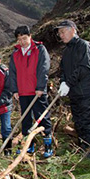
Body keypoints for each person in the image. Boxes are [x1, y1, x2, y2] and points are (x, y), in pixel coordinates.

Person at [56, 20, 90, 157]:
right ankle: (83, 147)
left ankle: (89, 151)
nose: (61, 36)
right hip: (74, 93)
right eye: (59, 33)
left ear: (73, 30)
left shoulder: (84, 46)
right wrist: (63, 82)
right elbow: (63, 70)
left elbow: (83, 68)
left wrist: (68, 83)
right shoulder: (66, 51)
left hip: (87, 91)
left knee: (88, 121)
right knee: (78, 121)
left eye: (63, 32)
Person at [9, 25, 53, 158]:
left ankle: (48, 146)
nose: (22, 42)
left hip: (37, 92)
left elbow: (43, 69)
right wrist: (15, 90)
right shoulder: (15, 53)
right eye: (19, 39)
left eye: (24, 38)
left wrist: (40, 87)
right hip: (23, 92)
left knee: (42, 117)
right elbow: (12, 73)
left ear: (30, 36)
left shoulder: (39, 49)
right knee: (26, 120)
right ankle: (29, 146)